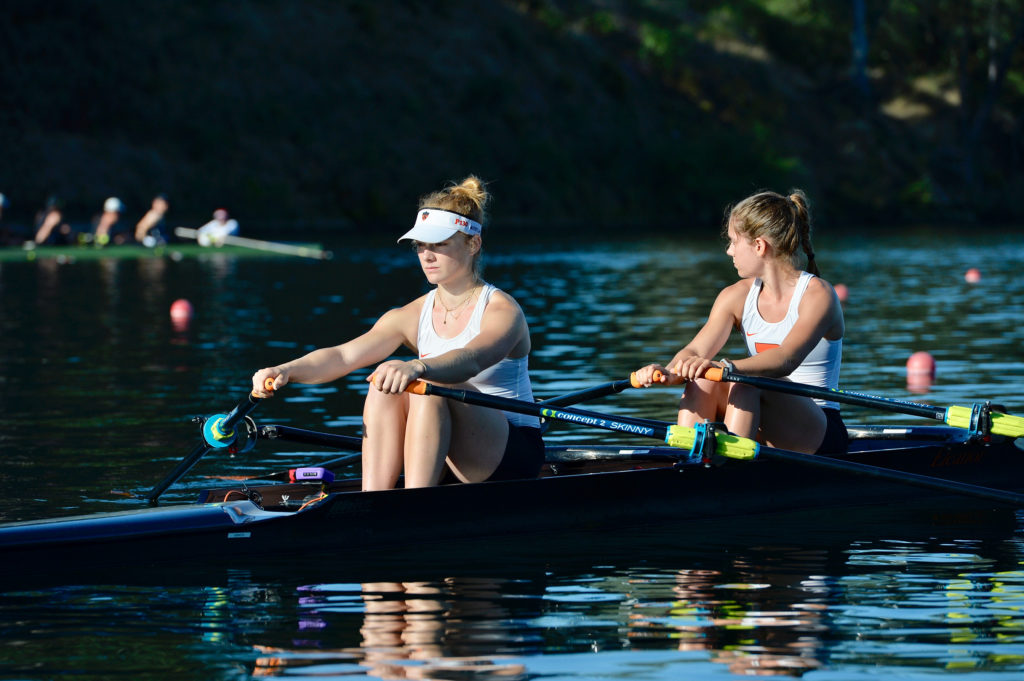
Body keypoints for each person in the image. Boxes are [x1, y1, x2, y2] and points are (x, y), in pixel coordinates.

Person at [251, 176, 543, 490]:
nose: (427, 256)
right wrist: (285, 370)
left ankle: (413, 504)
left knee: (425, 380)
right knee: (383, 382)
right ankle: (374, 499)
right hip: (448, 452)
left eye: (440, 245)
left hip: (511, 455)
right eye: (421, 246)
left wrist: (418, 365)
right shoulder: (410, 314)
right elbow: (343, 355)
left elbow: (471, 360)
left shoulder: (503, 311)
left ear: (473, 244)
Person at [633, 189, 847, 455]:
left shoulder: (818, 295)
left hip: (819, 430)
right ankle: (690, 460)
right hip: (762, 419)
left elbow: (787, 359)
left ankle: (732, 472)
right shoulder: (735, 296)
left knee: (745, 379)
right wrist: (669, 373)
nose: (728, 251)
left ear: (759, 246)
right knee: (703, 378)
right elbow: (696, 352)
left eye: (734, 241)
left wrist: (727, 367)